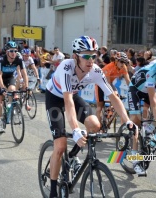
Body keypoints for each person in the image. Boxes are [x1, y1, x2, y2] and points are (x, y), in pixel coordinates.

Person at [45, 36, 137, 198]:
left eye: (93, 56)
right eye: (86, 56)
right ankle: (53, 190)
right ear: (75, 56)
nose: (90, 60)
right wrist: (75, 130)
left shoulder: (95, 71)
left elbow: (113, 97)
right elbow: (68, 102)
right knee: (59, 146)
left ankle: (72, 156)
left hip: (72, 96)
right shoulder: (66, 67)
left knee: (95, 125)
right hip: (55, 97)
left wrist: (127, 120)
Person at [0, 41, 28, 133]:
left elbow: (24, 74)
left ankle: (10, 106)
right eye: (11, 51)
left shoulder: (19, 60)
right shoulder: (1, 60)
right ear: (7, 52)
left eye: (15, 51)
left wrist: (26, 87)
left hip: (9, 77)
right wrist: (2, 88)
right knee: (0, 100)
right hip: (0, 79)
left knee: (13, 90)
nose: (14, 53)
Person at [95, 51, 131, 135]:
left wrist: (133, 90)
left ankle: (109, 111)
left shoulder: (124, 68)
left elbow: (128, 81)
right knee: (99, 107)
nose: (123, 64)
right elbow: (107, 84)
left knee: (117, 98)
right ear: (116, 61)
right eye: (121, 62)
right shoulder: (109, 67)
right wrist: (114, 95)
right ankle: (98, 129)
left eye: (125, 62)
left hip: (110, 83)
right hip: (100, 84)